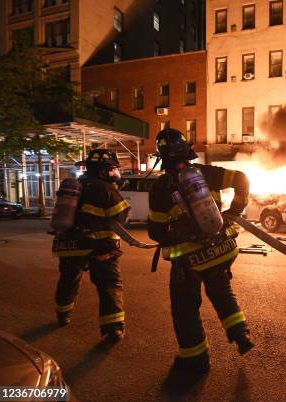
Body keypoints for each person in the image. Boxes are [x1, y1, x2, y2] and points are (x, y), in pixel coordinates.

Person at [148, 128, 253, 374]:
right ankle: (241, 336)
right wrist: (234, 212)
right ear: (187, 150)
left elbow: (156, 231)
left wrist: (174, 236)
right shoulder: (208, 173)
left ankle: (195, 359)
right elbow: (242, 180)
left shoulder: (161, 188)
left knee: (185, 308)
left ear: (162, 157)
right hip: (222, 250)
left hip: (189, 261)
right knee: (222, 292)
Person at [52, 149, 130, 343]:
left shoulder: (76, 185)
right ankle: (113, 329)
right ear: (104, 171)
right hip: (100, 246)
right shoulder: (105, 188)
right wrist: (116, 190)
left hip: (71, 244)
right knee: (109, 285)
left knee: (68, 280)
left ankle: (63, 314)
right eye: (112, 169)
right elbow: (122, 217)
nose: (114, 173)